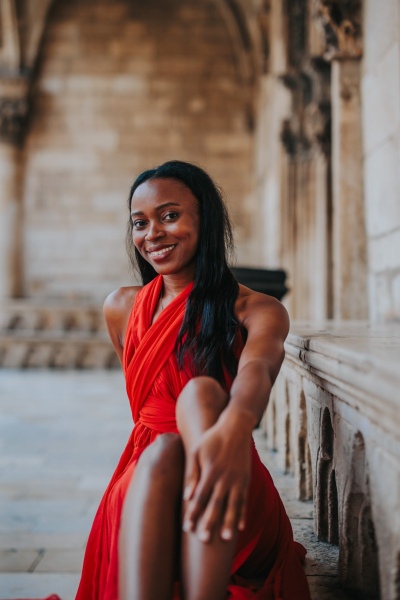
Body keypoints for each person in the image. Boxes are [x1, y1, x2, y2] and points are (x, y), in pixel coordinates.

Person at [75, 160, 311, 600]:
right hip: (148, 473)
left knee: (202, 393)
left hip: (225, 466)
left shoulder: (254, 308)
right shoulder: (121, 308)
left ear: (205, 218)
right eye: (140, 223)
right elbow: (144, 392)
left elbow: (258, 369)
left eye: (169, 216)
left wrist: (236, 425)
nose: (153, 234)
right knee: (165, 446)